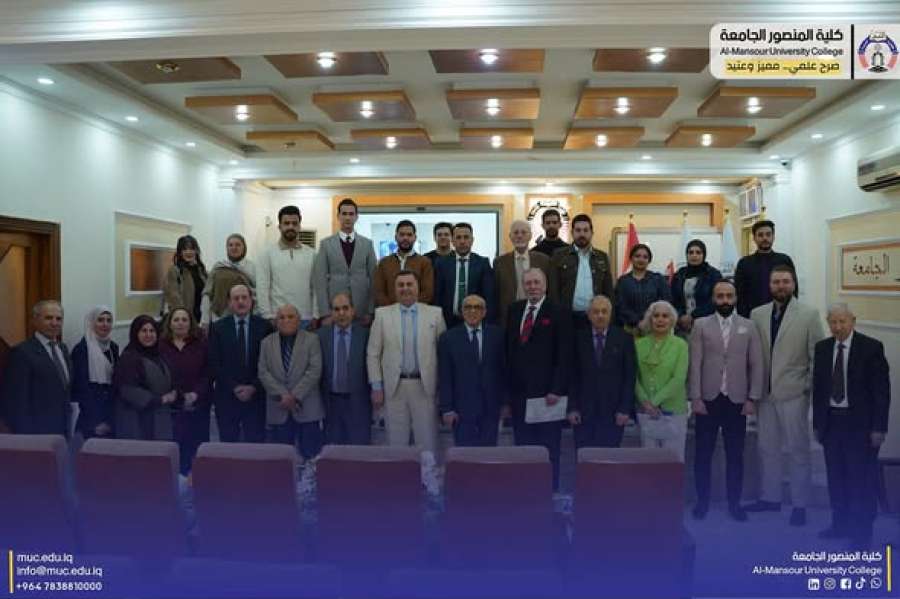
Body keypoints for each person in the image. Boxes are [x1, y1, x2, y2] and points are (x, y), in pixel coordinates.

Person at [746, 265, 824, 526]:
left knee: (798, 449)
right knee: (767, 448)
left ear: (793, 284)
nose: (781, 286)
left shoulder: (809, 314)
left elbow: (817, 355)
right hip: (765, 394)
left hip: (794, 393)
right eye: (776, 282)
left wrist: (807, 387)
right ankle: (771, 497)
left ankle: (800, 504)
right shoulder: (757, 314)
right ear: (770, 285)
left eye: (786, 281)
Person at [813, 304, 890, 546]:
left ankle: (862, 533)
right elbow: (819, 389)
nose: (837, 327)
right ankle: (840, 524)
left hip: (861, 426)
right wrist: (818, 424)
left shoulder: (871, 348)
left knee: (861, 481)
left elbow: (881, 392)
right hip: (832, 423)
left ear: (853, 321)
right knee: (836, 478)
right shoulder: (822, 348)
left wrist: (879, 427)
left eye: (842, 322)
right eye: (833, 322)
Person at [689, 281, 764, 522]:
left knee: (735, 455)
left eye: (729, 296)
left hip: (737, 400)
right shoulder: (700, 325)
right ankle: (702, 502)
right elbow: (695, 363)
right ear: (713, 299)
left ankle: (735, 504)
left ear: (736, 298)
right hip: (708, 399)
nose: (725, 300)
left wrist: (752, 398)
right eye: (720, 296)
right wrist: (695, 397)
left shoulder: (749, 326)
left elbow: (756, 364)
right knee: (703, 455)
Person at [506, 268, 573, 490]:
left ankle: (549, 493)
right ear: (523, 286)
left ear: (545, 285)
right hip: (519, 395)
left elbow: (565, 354)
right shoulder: (514, 310)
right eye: (528, 283)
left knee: (548, 448)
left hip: (548, 396)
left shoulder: (559, 311)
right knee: (524, 448)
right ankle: (526, 493)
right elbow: (509, 351)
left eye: (537, 282)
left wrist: (557, 388)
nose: (532, 286)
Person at [367, 270, 446, 454]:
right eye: (400, 285)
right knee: (396, 442)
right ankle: (398, 473)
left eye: (409, 284)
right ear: (394, 289)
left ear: (417, 287)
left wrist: (443, 388)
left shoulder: (435, 314)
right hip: (394, 387)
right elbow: (373, 354)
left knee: (427, 442)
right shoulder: (382, 315)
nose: (405, 288)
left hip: (425, 387)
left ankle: (428, 473)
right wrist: (376, 386)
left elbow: (443, 354)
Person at [568, 295, 636, 448]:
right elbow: (572, 376)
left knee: (609, 458)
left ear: (610, 314)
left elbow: (629, 377)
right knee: (584, 457)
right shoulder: (578, 338)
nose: (600, 315)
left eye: (604, 311)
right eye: (596, 311)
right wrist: (572, 408)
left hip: (614, 413)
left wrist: (625, 409)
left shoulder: (624, 339)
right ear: (588, 315)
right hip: (583, 413)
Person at [438, 294, 506, 447]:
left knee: (489, 453)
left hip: (491, 407)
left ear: (485, 312)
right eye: (468, 307)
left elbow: (504, 371)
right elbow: (445, 376)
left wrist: (505, 403)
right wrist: (447, 408)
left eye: (477, 307)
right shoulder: (448, 338)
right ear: (462, 311)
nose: (472, 311)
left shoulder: (498, 335)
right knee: (464, 455)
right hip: (461, 410)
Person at [259, 304, 324, 460]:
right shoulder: (266, 343)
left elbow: (314, 370)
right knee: (281, 462)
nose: (286, 320)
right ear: (275, 322)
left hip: (307, 409)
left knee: (311, 459)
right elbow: (263, 372)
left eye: (290, 317)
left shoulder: (312, 340)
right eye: (281, 317)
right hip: (278, 409)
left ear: (299, 320)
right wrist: (283, 395)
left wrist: (294, 396)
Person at [209, 284, 273, 442]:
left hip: (256, 397)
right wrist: (234, 387)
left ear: (251, 301)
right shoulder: (217, 328)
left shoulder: (265, 327)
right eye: (236, 298)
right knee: (228, 446)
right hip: (227, 397)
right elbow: (214, 363)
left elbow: (270, 363)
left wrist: (253, 387)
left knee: (255, 445)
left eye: (244, 297)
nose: (240, 302)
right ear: (229, 303)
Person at [1, 300, 72, 436]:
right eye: (48, 318)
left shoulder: (63, 349)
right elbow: (16, 401)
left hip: (62, 431)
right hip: (35, 433)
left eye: (59, 319)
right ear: (35, 320)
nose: (54, 323)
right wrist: (26, 437)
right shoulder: (21, 352)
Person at [634, 301, 689, 461]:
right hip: (646, 412)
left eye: (665, 316)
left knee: (673, 462)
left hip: (673, 412)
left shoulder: (681, 345)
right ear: (649, 319)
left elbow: (678, 379)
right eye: (656, 316)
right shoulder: (638, 344)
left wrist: (653, 402)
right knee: (648, 463)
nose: (660, 319)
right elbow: (633, 378)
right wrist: (645, 402)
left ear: (672, 320)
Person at [159, 308, 211, 474]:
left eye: (184, 319)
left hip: (198, 404)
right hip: (171, 407)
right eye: (176, 320)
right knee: (174, 451)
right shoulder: (160, 345)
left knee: (196, 452)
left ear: (190, 323)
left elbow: (208, 373)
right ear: (169, 324)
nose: (180, 323)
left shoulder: (201, 344)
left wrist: (195, 394)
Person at [317, 293, 371, 445]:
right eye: (336, 309)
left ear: (353, 311)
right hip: (330, 403)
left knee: (358, 449)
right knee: (333, 450)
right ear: (331, 313)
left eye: (345, 308)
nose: (341, 313)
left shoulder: (365, 335)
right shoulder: (320, 336)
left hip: (358, 403)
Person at [313, 198, 378, 326]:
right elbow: (320, 281)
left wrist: (370, 311)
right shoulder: (326, 244)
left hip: (361, 309)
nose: (347, 217)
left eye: (351, 214)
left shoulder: (367, 244)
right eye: (344, 214)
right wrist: (325, 313)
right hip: (336, 309)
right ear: (338, 216)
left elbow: (374, 279)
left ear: (356, 217)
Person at [113, 315, 175, 441]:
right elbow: (127, 390)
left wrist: (175, 393)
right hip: (137, 421)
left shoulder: (159, 356)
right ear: (135, 333)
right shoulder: (128, 358)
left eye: (152, 331)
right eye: (144, 331)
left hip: (159, 418)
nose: (148, 335)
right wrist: (160, 400)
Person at [549, 214, 613, 329]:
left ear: (592, 233)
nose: (582, 234)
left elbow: (608, 290)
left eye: (585, 230)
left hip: (595, 317)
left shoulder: (602, 257)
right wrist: (556, 314)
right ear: (572, 233)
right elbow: (553, 289)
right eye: (578, 230)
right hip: (567, 316)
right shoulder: (559, 255)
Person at [257, 205, 317, 327]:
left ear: (299, 226)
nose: (290, 227)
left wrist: (316, 315)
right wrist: (267, 316)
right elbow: (262, 288)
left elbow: (316, 288)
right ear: (279, 226)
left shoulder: (312, 254)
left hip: (305, 319)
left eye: (294, 223)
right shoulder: (267, 254)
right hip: (278, 319)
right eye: (286, 223)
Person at [434, 223, 495, 328]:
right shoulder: (441, 263)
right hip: (447, 320)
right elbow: (438, 295)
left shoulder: (482, 263)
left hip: (475, 320)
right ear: (453, 241)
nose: (462, 241)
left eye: (466, 237)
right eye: (458, 237)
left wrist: (487, 322)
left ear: (472, 240)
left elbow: (489, 296)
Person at [71, 306, 119, 439]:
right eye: (100, 320)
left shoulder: (113, 348)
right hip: (90, 418)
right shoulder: (81, 349)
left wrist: (110, 420)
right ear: (92, 322)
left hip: (110, 416)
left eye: (109, 320)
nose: (105, 324)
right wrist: (95, 422)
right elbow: (80, 389)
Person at [493, 219, 551, 328]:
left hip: (537, 316)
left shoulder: (544, 260)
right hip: (508, 318)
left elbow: (550, 291)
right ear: (510, 236)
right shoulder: (499, 262)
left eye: (523, 232)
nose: (519, 236)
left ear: (530, 236)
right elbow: (496, 293)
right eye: (516, 233)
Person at [735, 220, 797, 317]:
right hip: (753, 317)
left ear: (773, 237)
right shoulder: (744, 263)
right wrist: (745, 318)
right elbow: (739, 295)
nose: (765, 238)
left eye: (768, 234)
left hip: (782, 316)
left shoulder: (784, 260)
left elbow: (794, 289)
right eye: (760, 235)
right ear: (754, 238)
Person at [200, 233, 256, 327]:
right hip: (219, 317)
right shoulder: (219, 266)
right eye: (230, 245)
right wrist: (204, 318)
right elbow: (207, 293)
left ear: (244, 247)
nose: (234, 248)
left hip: (244, 318)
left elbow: (256, 293)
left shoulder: (252, 268)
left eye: (238, 245)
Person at [373, 220, 434, 306]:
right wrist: (393, 309)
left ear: (415, 237)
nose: (405, 238)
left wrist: (409, 309)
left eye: (409, 235)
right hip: (390, 312)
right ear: (396, 237)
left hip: (417, 312)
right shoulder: (384, 263)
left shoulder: (425, 263)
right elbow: (379, 292)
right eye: (402, 235)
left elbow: (427, 292)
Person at [615, 243, 672, 332]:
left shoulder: (658, 279)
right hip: (630, 328)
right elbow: (620, 306)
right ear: (631, 258)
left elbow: (665, 302)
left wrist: (648, 321)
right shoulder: (623, 281)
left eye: (645, 257)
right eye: (637, 256)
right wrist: (637, 322)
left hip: (655, 327)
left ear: (649, 260)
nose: (641, 259)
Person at [671, 239, 723, 334]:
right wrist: (681, 316)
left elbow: (716, 299)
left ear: (704, 255)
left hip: (707, 323)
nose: (694, 255)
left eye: (698, 252)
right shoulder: (679, 275)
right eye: (691, 252)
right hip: (682, 325)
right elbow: (672, 299)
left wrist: (693, 316)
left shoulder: (713, 274)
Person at [163, 235, 207, 323]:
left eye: (191, 249)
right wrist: (184, 318)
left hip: (202, 318)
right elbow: (174, 298)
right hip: (184, 319)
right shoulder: (175, 271)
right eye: (185, 249)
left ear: (196, 251)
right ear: (180, 252)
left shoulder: (201, 270)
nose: (188, 252)